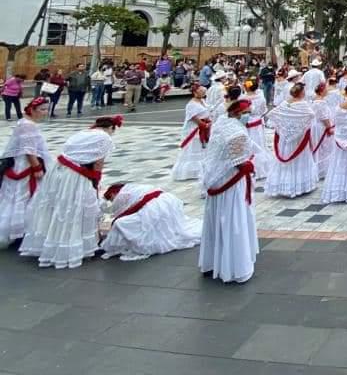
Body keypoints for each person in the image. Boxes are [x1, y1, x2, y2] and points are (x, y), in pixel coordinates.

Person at [20, 115, 122, 269]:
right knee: (76, 209)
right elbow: (98, 161)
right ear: (111, 128)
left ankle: (50, 243)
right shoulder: (104, 137)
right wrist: (95, 181)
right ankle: (73, 247)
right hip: (77, 176)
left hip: (59, 171)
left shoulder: (84, 133)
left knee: (57, 207)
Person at [200, 102, 259, 283]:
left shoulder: (221, 124)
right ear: (238, 113)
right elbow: (238, 161)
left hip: (217, 178)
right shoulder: (237, 133)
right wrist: (248, 165)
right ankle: (235, 263)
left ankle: (214, 259)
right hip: (231, 181)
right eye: (247, 113)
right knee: (233, 217)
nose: (249, 116)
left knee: (220, 217)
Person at [100, 182, 201, 261]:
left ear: (113, 193)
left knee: (121, 223)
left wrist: (109, 224)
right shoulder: (133, 188)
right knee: (127, 221)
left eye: (112, 199)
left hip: (156, 206)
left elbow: (122, 212)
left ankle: (145, 241)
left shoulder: (122, 194)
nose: (113, 201)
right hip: (167, 201)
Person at [0, 97, 51, 247]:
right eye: (41, 109)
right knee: (24, 197)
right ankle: (20, 232)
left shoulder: (24, 123)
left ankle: (18, 231)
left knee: (15, 198)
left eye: (46, 109)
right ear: (32, 110)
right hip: (24, 167)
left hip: (20, 165)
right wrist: (37, 168)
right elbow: (29, 151)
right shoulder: (29, 125)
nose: (44, 112)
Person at [265, 82, 318, 198]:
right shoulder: (303, 105)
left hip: (285, 139)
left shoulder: (284, 104)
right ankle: (300, 185)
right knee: (299, 160)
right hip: (299, 139)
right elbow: (311, 116)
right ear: (301, 93)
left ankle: (285, 185)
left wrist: (284, 127)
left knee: (286, 158)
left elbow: (273, 115)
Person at [172, 86, 211, 181]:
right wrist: (203, 125)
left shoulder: (202, 101)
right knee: (193, 147)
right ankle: (190, 171)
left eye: (203, 91)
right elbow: (193, 117)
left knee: (202, 148)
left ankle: (201, 169)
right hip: (194, 129)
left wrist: (209, 121)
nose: (203, 93)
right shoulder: (191, 104)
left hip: (205, 126)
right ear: (195, 92)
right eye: (201, 91)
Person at [241, 80, 270, 178]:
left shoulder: (242, 98)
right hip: (257, 122)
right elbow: (264, 110)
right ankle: (260, 168)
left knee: (247, 143)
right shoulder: (261, 98)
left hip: (246, 122)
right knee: (259, 143)